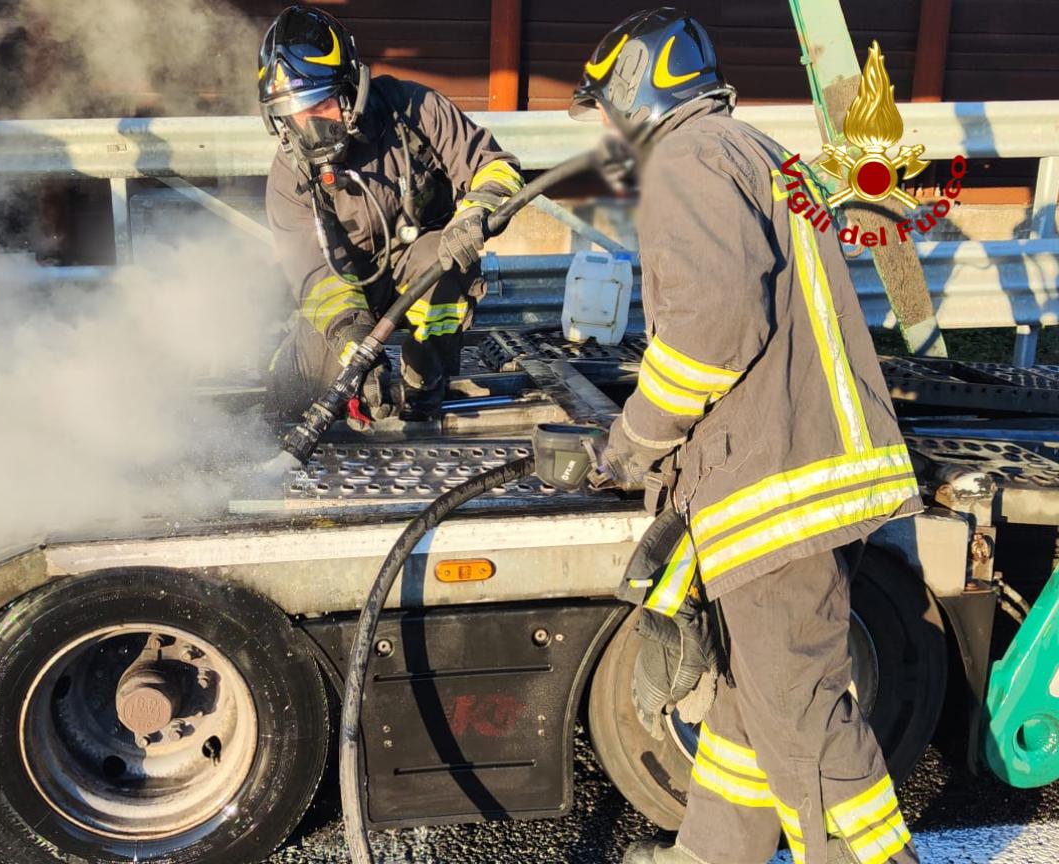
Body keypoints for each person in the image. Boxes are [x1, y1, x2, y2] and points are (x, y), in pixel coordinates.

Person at [573, 9, 923, 864]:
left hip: (774, 491)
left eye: (607, 113)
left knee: (801, 722)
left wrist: (632, 441)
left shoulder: (684, 162)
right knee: (748, 707)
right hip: (801, 478)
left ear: (635, 93)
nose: (609, 136)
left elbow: (713, 331)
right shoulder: (757, 151)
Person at [258, 6, 522, 424]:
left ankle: (424, 381)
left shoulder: (415, 109)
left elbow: (495, 166)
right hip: (346, 283)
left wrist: (474, 214)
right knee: (296, 393)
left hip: (417, 267)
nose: (308, 125)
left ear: (351, 92)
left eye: (320, 104)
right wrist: (355, 343)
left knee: (444, 261)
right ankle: (298, 379)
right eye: (293, 113)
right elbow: (313, 275)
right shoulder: (288, 174)